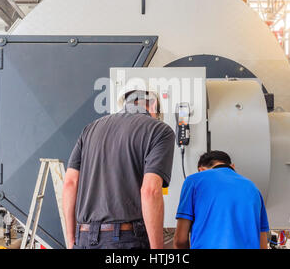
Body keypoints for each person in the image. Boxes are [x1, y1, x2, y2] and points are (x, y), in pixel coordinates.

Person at [62, 89, 175, 249]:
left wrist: (71, 238)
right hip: (126, 239)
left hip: (84, 238)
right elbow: (150, 191)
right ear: (154, 105)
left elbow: (69, 183)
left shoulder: (90, 129)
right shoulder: (159, 130)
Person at [173, 150, 269, 249]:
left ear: (201, 170)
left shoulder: (193, 181)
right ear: (232, 167)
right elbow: (262, 242)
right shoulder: (254, 189)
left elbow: (180, 240)